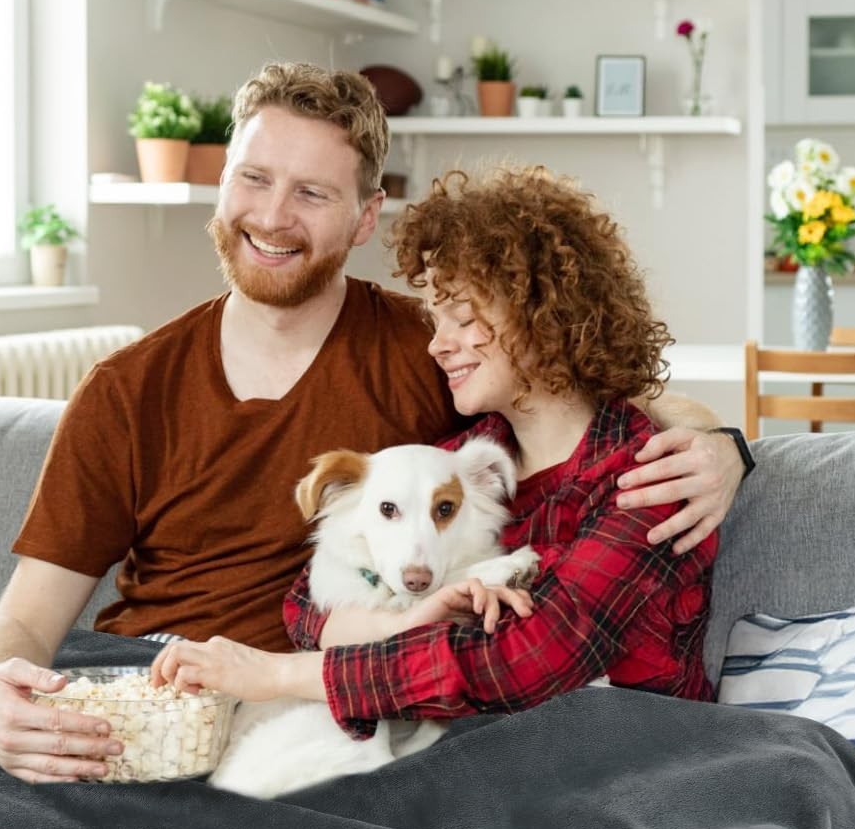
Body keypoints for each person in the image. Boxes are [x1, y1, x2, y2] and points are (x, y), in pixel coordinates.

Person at [0, 64, 749, 785]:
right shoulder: (126, 390)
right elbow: (26, 617)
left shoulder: (434, 359)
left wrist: (720, 445)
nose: (272, 215)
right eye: (254, 178)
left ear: (366, 218)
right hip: (152, 681)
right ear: (223, 181)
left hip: (317, 718)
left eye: (312, 193)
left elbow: (582, 393)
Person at [148, 164, 718, 739]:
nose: (437, 346)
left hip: (624, 752)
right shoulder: (461, 458)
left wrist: (275, 674)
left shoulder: (652, 480)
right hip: (477, 752)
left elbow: (522, 663)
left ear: (548, 319)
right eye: (435, 320)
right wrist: (409, 622)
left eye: (462, 319)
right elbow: (306, 606)